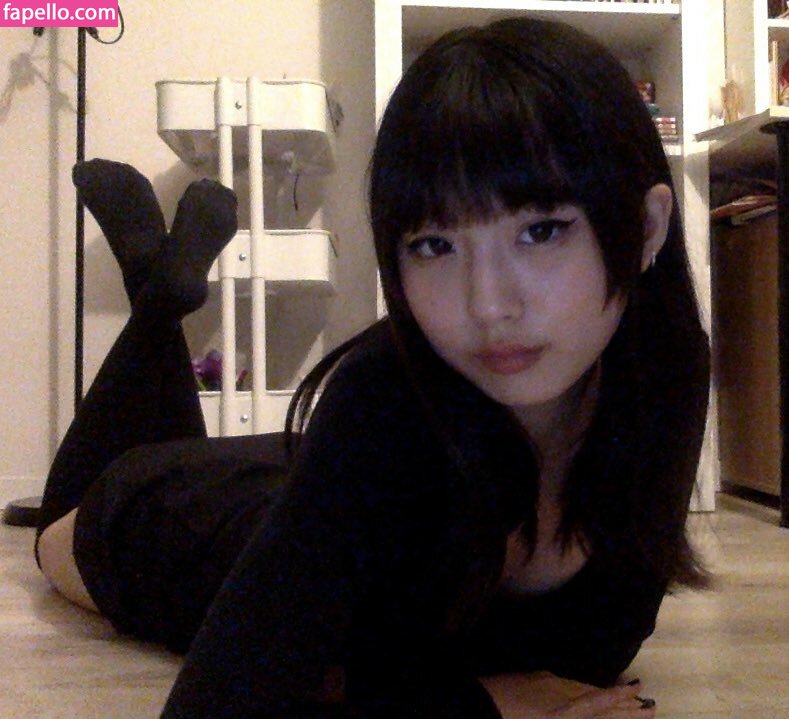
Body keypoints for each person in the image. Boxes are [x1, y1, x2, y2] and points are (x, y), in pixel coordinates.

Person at [34, 16, 709, 719]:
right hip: (158, 522)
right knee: (56, 526)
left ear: (647, 229)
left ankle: (159, 289)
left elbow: (601, 647)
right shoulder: (381, 395)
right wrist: (478, 703)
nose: (488, 304)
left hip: (283, 478)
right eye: (435, 245)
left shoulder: (666, 366)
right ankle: (156, 302)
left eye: (541, 230)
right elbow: (224, 700)